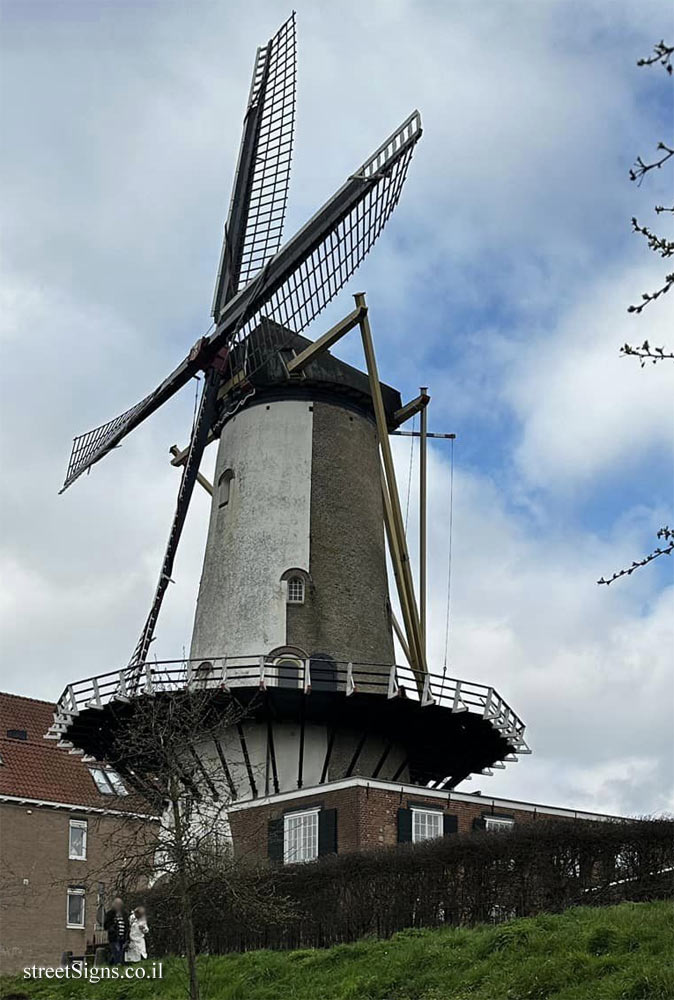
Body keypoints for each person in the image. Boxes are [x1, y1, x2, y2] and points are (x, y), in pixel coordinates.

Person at [103, 896, 129, 964]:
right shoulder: (110, 914)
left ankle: (112, 964)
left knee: (120, 953)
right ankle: (116, 965)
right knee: (116, 953)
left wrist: (127, 937)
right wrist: (112, 928)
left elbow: (127, 925)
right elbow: (106, 925)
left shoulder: (125, 914)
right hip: (114, 938)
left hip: (123, 938)